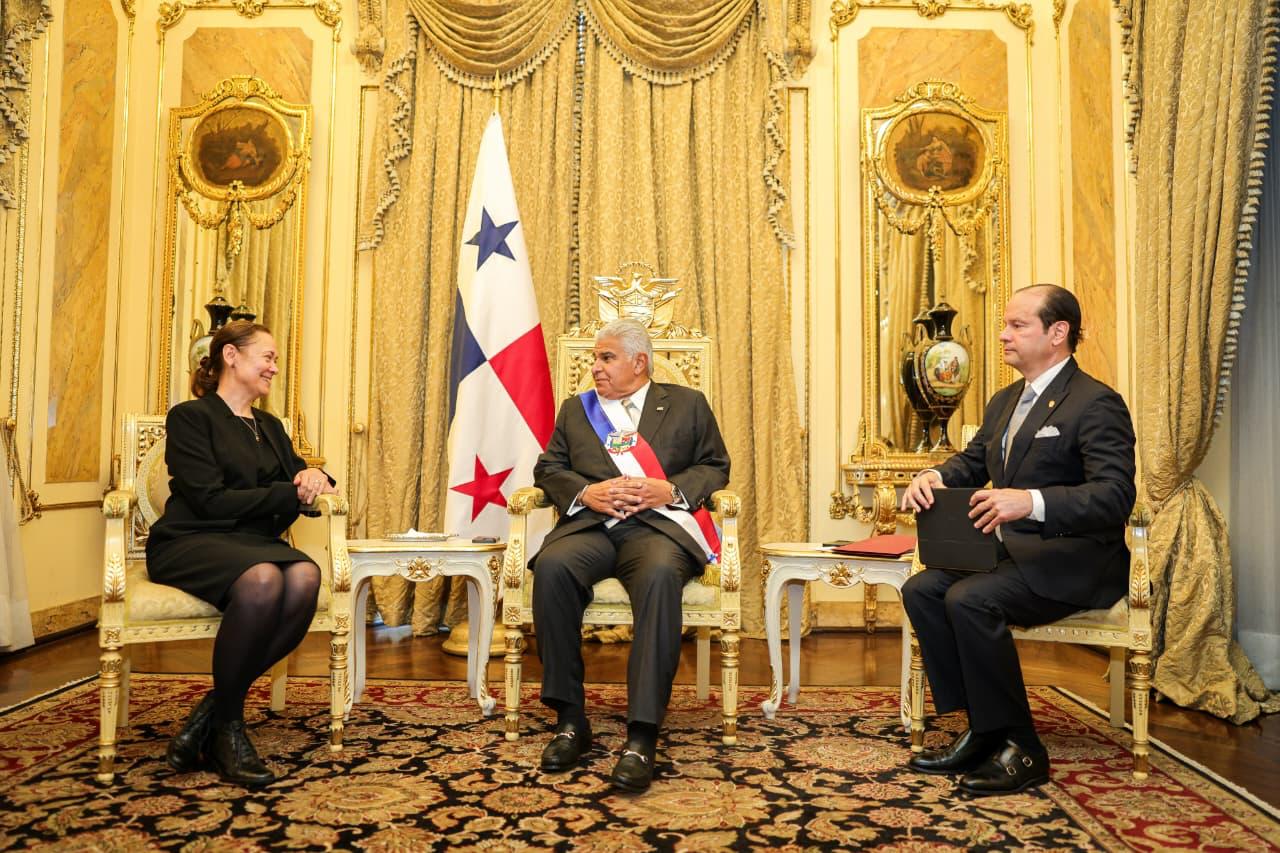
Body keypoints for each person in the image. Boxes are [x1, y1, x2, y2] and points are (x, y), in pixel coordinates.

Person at [899, 284, 1136, 796]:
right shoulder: (1005, 400)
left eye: (1017, 325)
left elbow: (1115, 496)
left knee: (969, 599)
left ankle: (1023, 748)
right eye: (1005, 325)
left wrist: (1031, 501)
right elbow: (972, 462)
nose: (1003, 334)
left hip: (1074, 562)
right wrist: (933, 476)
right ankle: (985, 729)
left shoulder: (1096, 403)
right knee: (922, 590)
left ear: (1057, 332)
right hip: (1014, 556)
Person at [531, 317, 730, 792]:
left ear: (639, 362)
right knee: (553, 567)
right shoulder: (576, 410)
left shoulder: (687, 404)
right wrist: (586, 493)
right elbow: (549, 468)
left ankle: (642, 735)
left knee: (660, 576)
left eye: (606, 357)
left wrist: (671, 490)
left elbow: (715, 466)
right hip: (592, 527)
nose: (595, 367)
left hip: (657, 530)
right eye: (594, 358)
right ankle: (570, 721)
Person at [146, 320, 337, 787]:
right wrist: (288, 491)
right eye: (267, 357)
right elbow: (210, 501)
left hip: (251, 544)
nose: (275, 368)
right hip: (191, 539)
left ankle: (211, 714)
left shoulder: (271, 426)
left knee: (305, 577)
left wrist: (316, 478)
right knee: (265, 579)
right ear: (231, 356)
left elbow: (303, 479)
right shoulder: (191, 418)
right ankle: (230, 730)